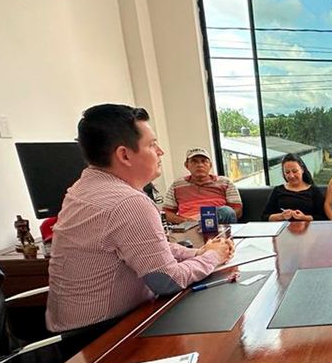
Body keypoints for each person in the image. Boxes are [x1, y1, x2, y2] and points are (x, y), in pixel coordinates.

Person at [46, 104, 235, 333]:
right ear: (124, 155)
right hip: (100, 335)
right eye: (152, 144)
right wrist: (214, 256)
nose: (160, 152)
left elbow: (145, 247)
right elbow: (168, 281)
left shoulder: (84, 186)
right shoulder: (129, 202)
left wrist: (197, 253)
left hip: (68, 327)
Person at [163, 147, 242, 225]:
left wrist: (209, 220)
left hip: (217, 223)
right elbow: (166, 213)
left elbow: (237, 210)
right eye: (194, 161)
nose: (200, 165)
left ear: (210, 165)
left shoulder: (225, 182)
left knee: (226, 211)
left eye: (204, 161)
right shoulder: (177, 185)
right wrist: (185, 221)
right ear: (186, 165)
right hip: (189, 224)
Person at [261, 153, 327, 222]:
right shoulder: (278, 190)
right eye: (287, 172)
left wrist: (304, 217)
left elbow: (323, 217)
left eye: (295, 171)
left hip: (308, 228)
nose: (291, 176)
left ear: (302, 170)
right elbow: (265, 217)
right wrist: (281, 216)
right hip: (284, 227)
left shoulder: (313, 191)